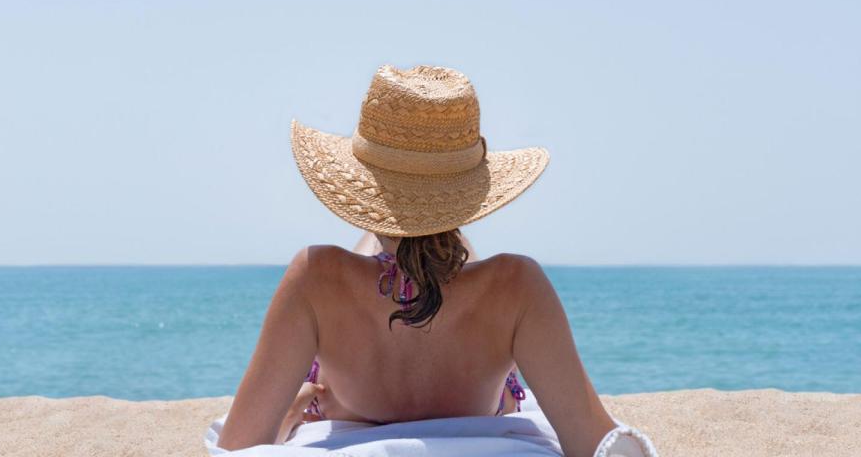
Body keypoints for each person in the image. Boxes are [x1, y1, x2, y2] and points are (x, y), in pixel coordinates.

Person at [217, 65, 620, 456]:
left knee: (368, 262)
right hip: (478, 381)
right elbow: (596, 445)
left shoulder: (315, 278)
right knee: (455, 268)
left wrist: (291, 414)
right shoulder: (517, 285)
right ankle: (438, 255)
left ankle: (399, 249)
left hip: (348, 389)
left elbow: (237, 447)